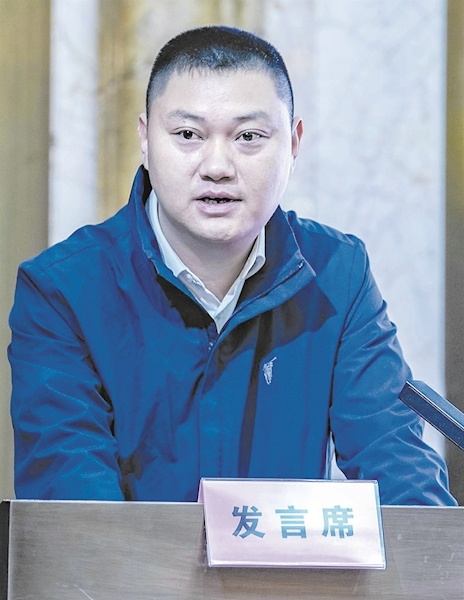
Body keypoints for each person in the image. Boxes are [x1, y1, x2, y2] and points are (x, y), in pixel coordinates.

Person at [8, 25, 456, 505]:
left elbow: (398, 466)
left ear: (294, 143)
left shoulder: (337, 274)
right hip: (126, 560)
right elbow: (74, 505)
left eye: (248, 136)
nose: (217, 166)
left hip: (289, 560)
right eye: (188, 135)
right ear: (144, 138)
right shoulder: (64, 289)